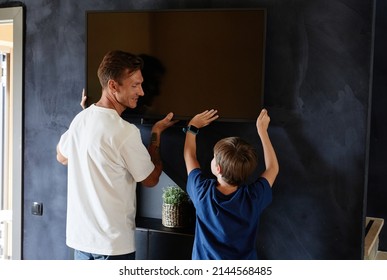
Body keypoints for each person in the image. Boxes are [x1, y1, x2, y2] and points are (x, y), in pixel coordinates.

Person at [56, 50, 177, 260]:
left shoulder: (80, 120)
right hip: (112, 248)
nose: (141, 92)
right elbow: (150, 179)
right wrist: (156, 133)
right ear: (113, 86)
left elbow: (62, 156)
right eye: (134, 85)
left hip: (80, 244)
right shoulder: (125, 132)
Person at [183, 108, 279, 259]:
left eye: (214, 157)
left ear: (218, 168)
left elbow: (189, 155)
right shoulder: (253, 198)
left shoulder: (202, 192)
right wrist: (262, 131)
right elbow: (273, 168)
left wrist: (193, 127)